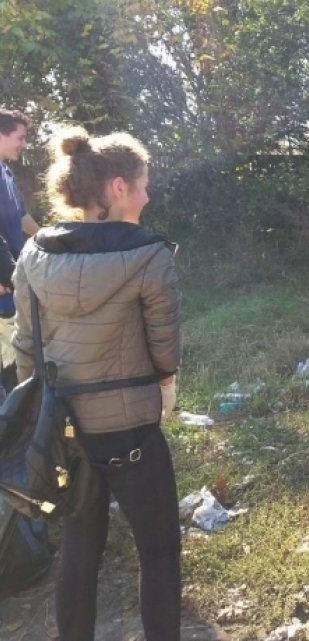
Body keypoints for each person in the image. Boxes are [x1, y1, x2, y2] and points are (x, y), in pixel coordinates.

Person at [12, 127, 182, 638]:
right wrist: (167, 391)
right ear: (118, 188)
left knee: (79, 549)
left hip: (65, 430)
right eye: (143, 183)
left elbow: (25, 347)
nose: (148, 194)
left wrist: (39, 417)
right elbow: (165, 350)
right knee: (158, 551)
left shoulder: (35, 252)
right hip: (131, 428)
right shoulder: (150, 254)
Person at [0, 109, 40, 391]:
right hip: (2, 279)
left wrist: (52, 238)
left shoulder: (6, 172)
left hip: (14, 276)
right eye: (19, 137)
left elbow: (21, 216)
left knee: (13, 350)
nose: (23, 144)